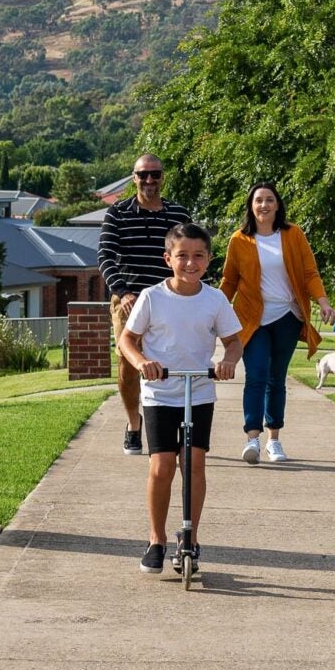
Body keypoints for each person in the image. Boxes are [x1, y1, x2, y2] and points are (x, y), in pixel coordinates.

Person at [118, 222, 242, 574]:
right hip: (160, 394)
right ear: (168, 259)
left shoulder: (214, 299)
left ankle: (190, 537)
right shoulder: (153, 297)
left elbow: (234, 340)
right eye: (182, 256)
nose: (191, 263)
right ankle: (156, 539)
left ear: (208, 259)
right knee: (162, 466)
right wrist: (143, 363)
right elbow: (127, 340)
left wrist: (228, 362)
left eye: (198, 256)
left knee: (194, 463)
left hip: (198, 391)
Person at [220, 182, 335, 464]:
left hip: (287, 317)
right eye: (258, 200)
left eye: (269, 200)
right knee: (256, 375)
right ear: (250, 205)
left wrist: (322, 300)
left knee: (276, 380)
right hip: (252, 319)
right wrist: (214, 310)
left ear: (277, 204)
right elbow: (229, 281)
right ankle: (252, 439)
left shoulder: (293, 234)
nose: (264, 205)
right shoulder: (239, 239)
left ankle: (274, 440)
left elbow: (310, 272)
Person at [97, 154, 191, 456]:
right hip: (130, 300)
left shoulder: (178, 213)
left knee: (173, 362)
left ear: (163, 177)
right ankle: (133, 425)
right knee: (129, 363)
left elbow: (189, 256)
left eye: (155, 174)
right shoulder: (118, 213)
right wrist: (123, 293)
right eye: (143, 175)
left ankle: (169, 423)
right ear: (134, 178)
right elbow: (105, 258)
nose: (149, 180)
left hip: (170, 299)